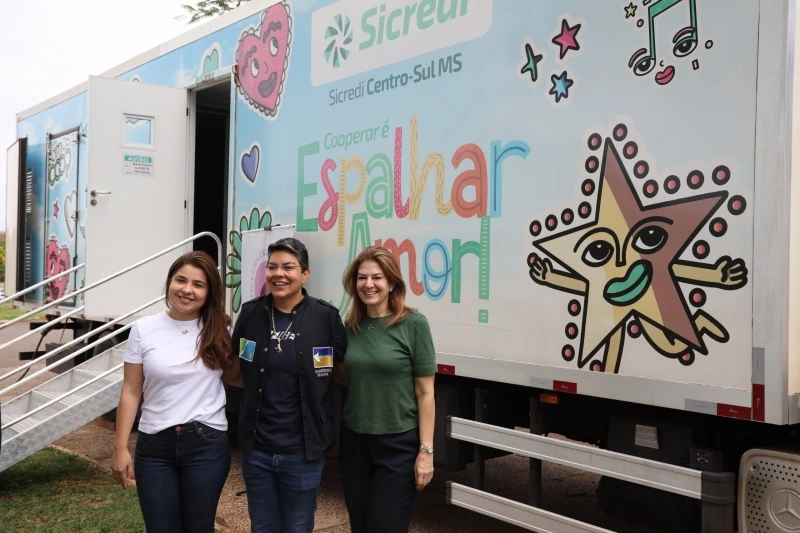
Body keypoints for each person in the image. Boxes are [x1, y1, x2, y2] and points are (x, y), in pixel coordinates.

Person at [111, 251, 235, 533]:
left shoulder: (221, 328)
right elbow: (131, 390)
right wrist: (120, 448)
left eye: (198, 285)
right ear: (170, 282)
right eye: (181, 280)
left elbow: (234, 375)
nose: (187, 290)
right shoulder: (144, 329)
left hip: (207, 444)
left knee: (199, 528)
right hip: (154, 446)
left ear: (209, 291)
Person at [230, 237, 347, 533]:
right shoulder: (251, 313)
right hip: (257, 449)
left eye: (288, 267)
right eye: (272, 267)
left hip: (303, 452)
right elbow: (236, 370)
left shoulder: (326, 317)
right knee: (263, 526)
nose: (278, 274)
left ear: (304, 274)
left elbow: (342, 373)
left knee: (298, 526)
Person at [338, 246, 437, 533]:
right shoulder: (351, 327)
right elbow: (346, 374)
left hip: (398, 444)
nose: (368, 284)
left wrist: (426, 452)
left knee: (385, 526)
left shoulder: (414, 324)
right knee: (360, 525)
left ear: (392, 282)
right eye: (361, 278)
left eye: (377, 277)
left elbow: (426, 392)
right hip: (354, 442)